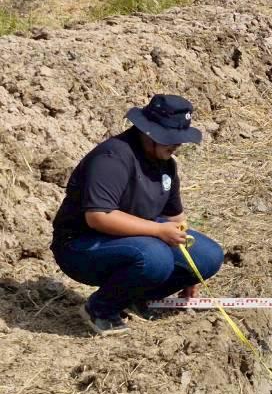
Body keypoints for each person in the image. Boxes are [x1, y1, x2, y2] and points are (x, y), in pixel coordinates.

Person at [51, 94, 224, 336]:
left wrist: (191, 274)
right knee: (156, 257)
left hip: (134, 238)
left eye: (180, 139)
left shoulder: (166, 164)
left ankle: (134, 297)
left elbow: (176, 219)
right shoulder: (113, 158)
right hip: (82, 245)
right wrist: (158, 230)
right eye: (170, 138)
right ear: (148, 132)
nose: (177, 145)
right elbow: (99, 217)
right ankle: (100, 309)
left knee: (208, 256)